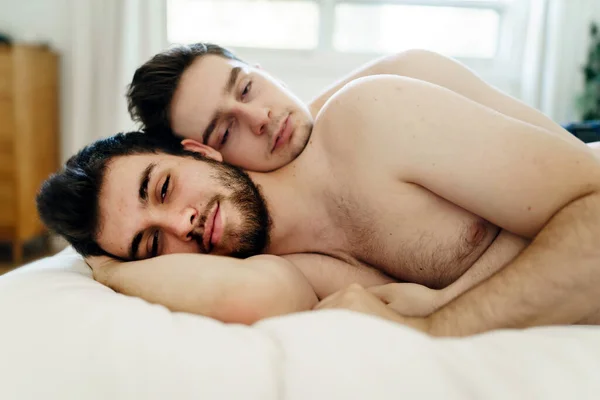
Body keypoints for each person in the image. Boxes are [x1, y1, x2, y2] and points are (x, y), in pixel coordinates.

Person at [38, 69, 600, 336]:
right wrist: (110, 266)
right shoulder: (284, 272)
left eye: (162, 188)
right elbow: (247, 299)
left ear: (203, 154)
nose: (181, 223)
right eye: (151, 244)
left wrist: (441, 324)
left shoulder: (370, 119)